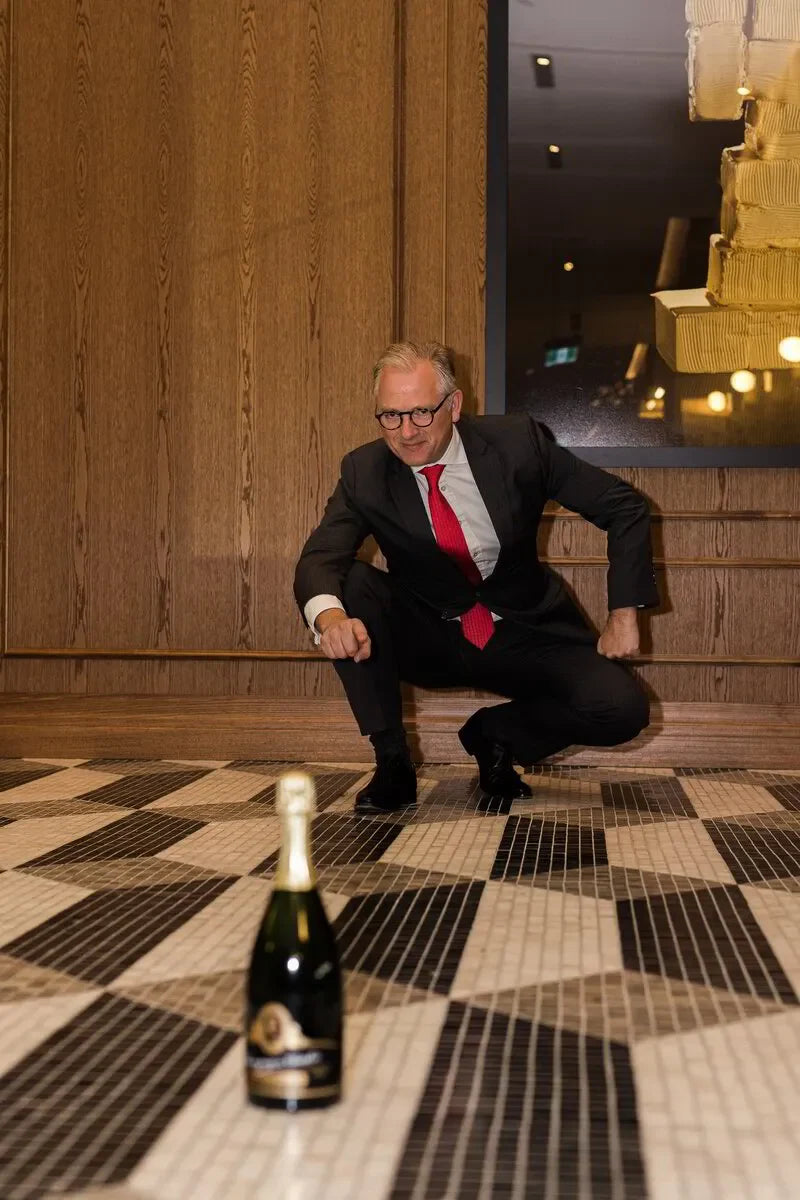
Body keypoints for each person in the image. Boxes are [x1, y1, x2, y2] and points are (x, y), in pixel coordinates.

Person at [294, 341, 658, 814]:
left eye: (422, 413)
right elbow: (319, 557)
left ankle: (495, 736)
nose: (406, 432)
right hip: (429, 634)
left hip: (526, 630)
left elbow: (623, 507)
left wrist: (623, 612)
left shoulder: (518, 444)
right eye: (391, 416)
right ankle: (392, 764)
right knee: (349, 586)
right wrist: (331, 620)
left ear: (455, 404)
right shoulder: (365, 471)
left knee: (622, 708)